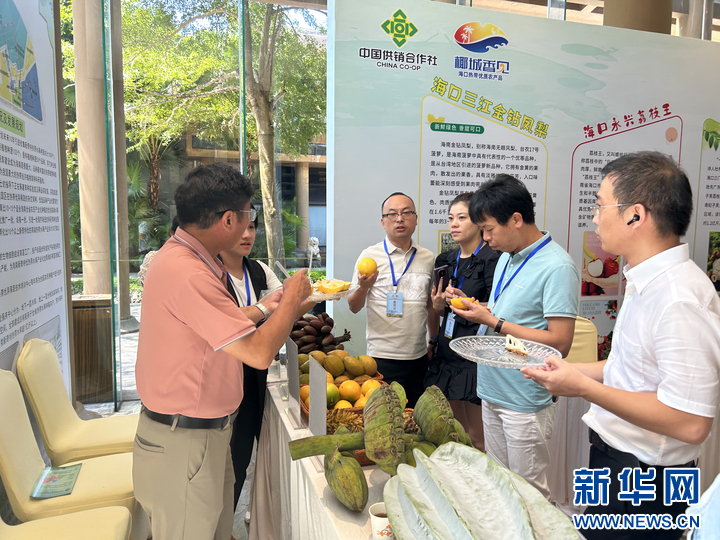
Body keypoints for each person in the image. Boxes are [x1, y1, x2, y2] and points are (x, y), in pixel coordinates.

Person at [522, 152, 720, 539]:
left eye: (600, 205)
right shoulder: (646, 279)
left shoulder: (679, 298)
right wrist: (567, 370)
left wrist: (582, 387)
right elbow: (630, 367)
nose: (595, 217)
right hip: (617, 465)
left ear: (635, 215)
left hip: (648, 481)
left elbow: (691, 422)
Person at [133, 163, 311, 540]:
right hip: (184, 443)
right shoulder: (189, 272)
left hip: (201, 435)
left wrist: (266, 307)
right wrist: (292, 301)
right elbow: (258, 353)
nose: (249, 225)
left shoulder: (186, 259)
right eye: (249, 214)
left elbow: (211, 323)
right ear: (229, 219)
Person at [446, 174, 579, 498]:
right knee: (501, 487)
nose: (486, 237)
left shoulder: (557, 266)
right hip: (492, 387)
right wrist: (478, 307)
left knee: (529, 494)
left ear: (516, 219)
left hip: (524, 397)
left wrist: (493, 320)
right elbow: (509, 311)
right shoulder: (506, 256)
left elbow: (560, 342)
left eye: (489, 229)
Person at [218, 208, 314, 519]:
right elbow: (220, 323)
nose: (247, 235)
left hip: (259, 373)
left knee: (248, 453)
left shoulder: (258, 270)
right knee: (227, 462)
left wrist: (313, 296)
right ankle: (221, 526)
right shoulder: (210, 273)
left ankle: (245, 519)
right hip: (224, 378)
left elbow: (286, 311)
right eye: (241, 227)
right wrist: (263, 308)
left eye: (253, 227)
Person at [425, 192, 500, 450]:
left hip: (476, 354)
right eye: (451, 218)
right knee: (454, 431)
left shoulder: (493, 259)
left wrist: (467, 302)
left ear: (479, 222)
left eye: (461, 218)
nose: (454, 224)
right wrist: (438, 306)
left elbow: (498, 310)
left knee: (477, 435)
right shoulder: (445, 260)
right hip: (448, 349)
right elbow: (441, 310)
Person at [348, 192, 437, 408]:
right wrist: (364, 288)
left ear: (416, 219)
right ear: (383, 222)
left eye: (406, 213)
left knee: (415, 418)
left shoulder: (428, 258)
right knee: (386, 418)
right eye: (392, 214)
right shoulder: (369, 256)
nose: (399, 219)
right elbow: (353, 306)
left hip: (418, 356)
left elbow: (430, 306)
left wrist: (433, 340)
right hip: (381, 358)